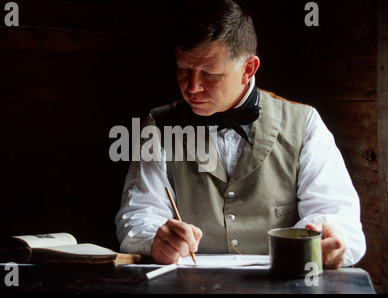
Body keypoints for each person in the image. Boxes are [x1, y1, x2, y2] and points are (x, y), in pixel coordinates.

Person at [115, 0, 366, 268]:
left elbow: (337, 216)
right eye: (183, 70)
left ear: (248, 69)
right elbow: (139, 213)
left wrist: (332, 237)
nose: (192, 87)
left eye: (210, 74)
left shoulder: (305, 123)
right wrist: (155, 240)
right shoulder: (158, 125)